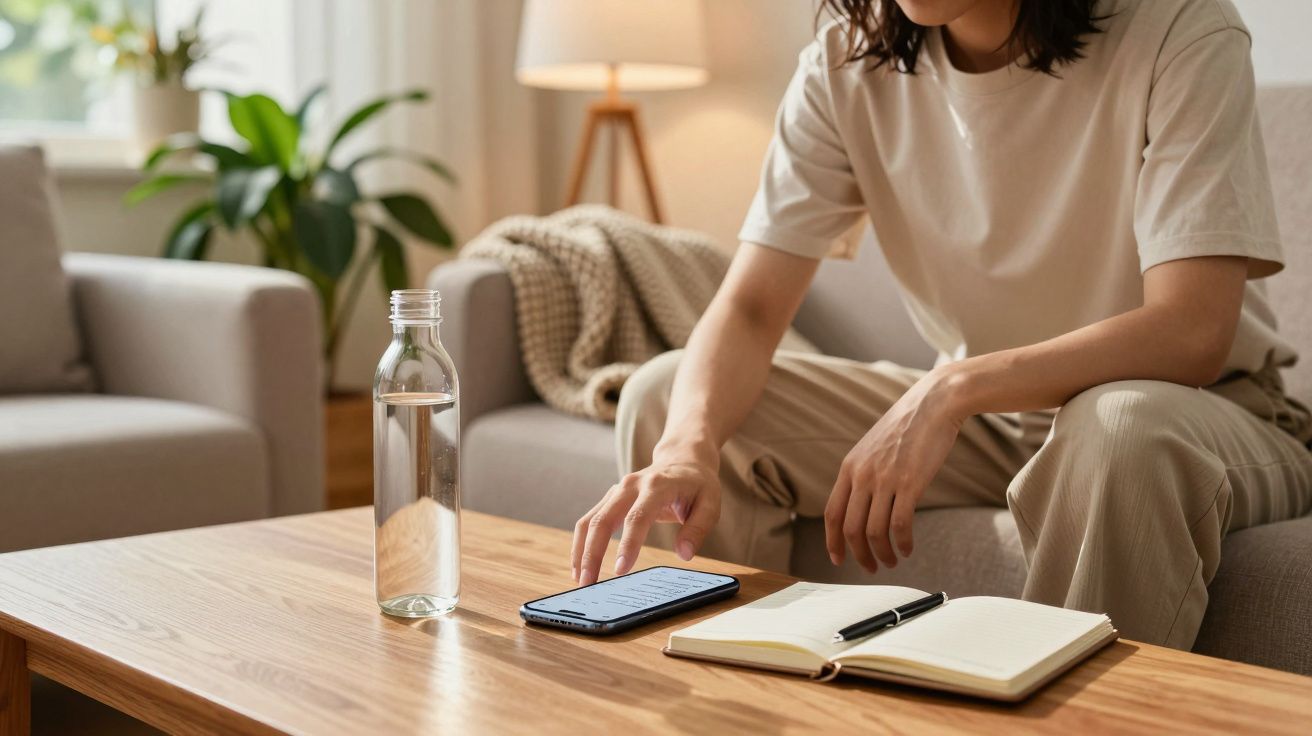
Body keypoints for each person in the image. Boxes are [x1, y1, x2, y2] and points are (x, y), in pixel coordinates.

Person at [569, 0, 1312, 649]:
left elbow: (1191, 330)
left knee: (1114, 427)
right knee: (670, 396)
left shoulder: (1180, 26)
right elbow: (752, 307)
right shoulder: (845, 52)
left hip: (1197, 416)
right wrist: (685, 447)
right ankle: (740, 703)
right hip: (998, 426)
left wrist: (951, 389)